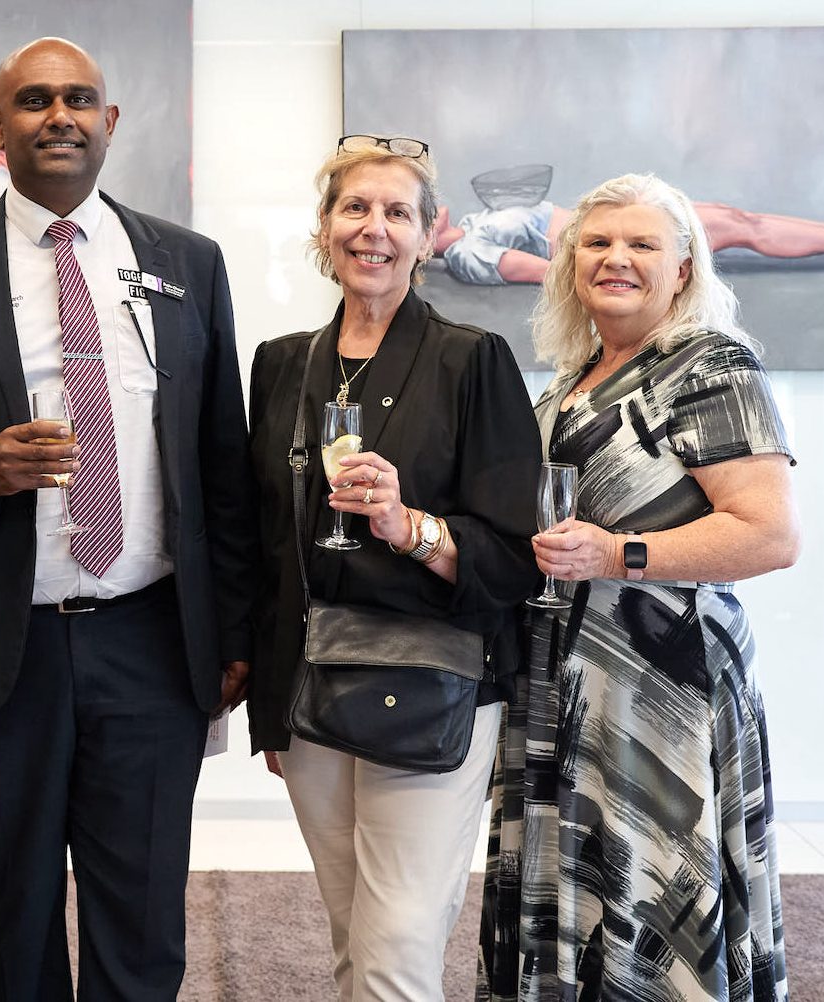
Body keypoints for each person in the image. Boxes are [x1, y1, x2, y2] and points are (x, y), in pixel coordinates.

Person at [0, 37, 256, 1001]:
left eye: (80, 98)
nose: (60, 116)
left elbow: (223, 466)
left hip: (153, 643)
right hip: (3, 654)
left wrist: (237, 633)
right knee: (17, 912)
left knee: (145, 915)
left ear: (110, 123)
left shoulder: (187, 263)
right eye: (34, 101)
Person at [476, 173, 800, 1001]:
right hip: (560, 678)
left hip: (659, 689)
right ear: (570, 262)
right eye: (597, 242)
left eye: (642, 244)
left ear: (684, 269)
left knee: (647, 897)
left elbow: (769, 533)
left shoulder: (711, 366)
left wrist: (619, 554)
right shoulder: (574, 374)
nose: (615, 258)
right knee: (575, 888)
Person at [245, 135, 542, 1001]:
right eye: (355, 208)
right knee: (354, 935)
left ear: (427, 234)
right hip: (309, 689)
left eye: (397, 213)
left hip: (435, 688)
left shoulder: (470, 360)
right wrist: (267, 695)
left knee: (399, 947)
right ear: (325, 228)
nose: (374, 229)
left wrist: (409, 526)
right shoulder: (279, 364)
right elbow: (261, 540)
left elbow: (516, 557)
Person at [432, 192, 824, 284]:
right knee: (740, 227)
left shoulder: (471, 227)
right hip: (624, 233)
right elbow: (541, 270)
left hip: (624, 218)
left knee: (736, 218)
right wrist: (614, 254)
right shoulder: (466, 252)